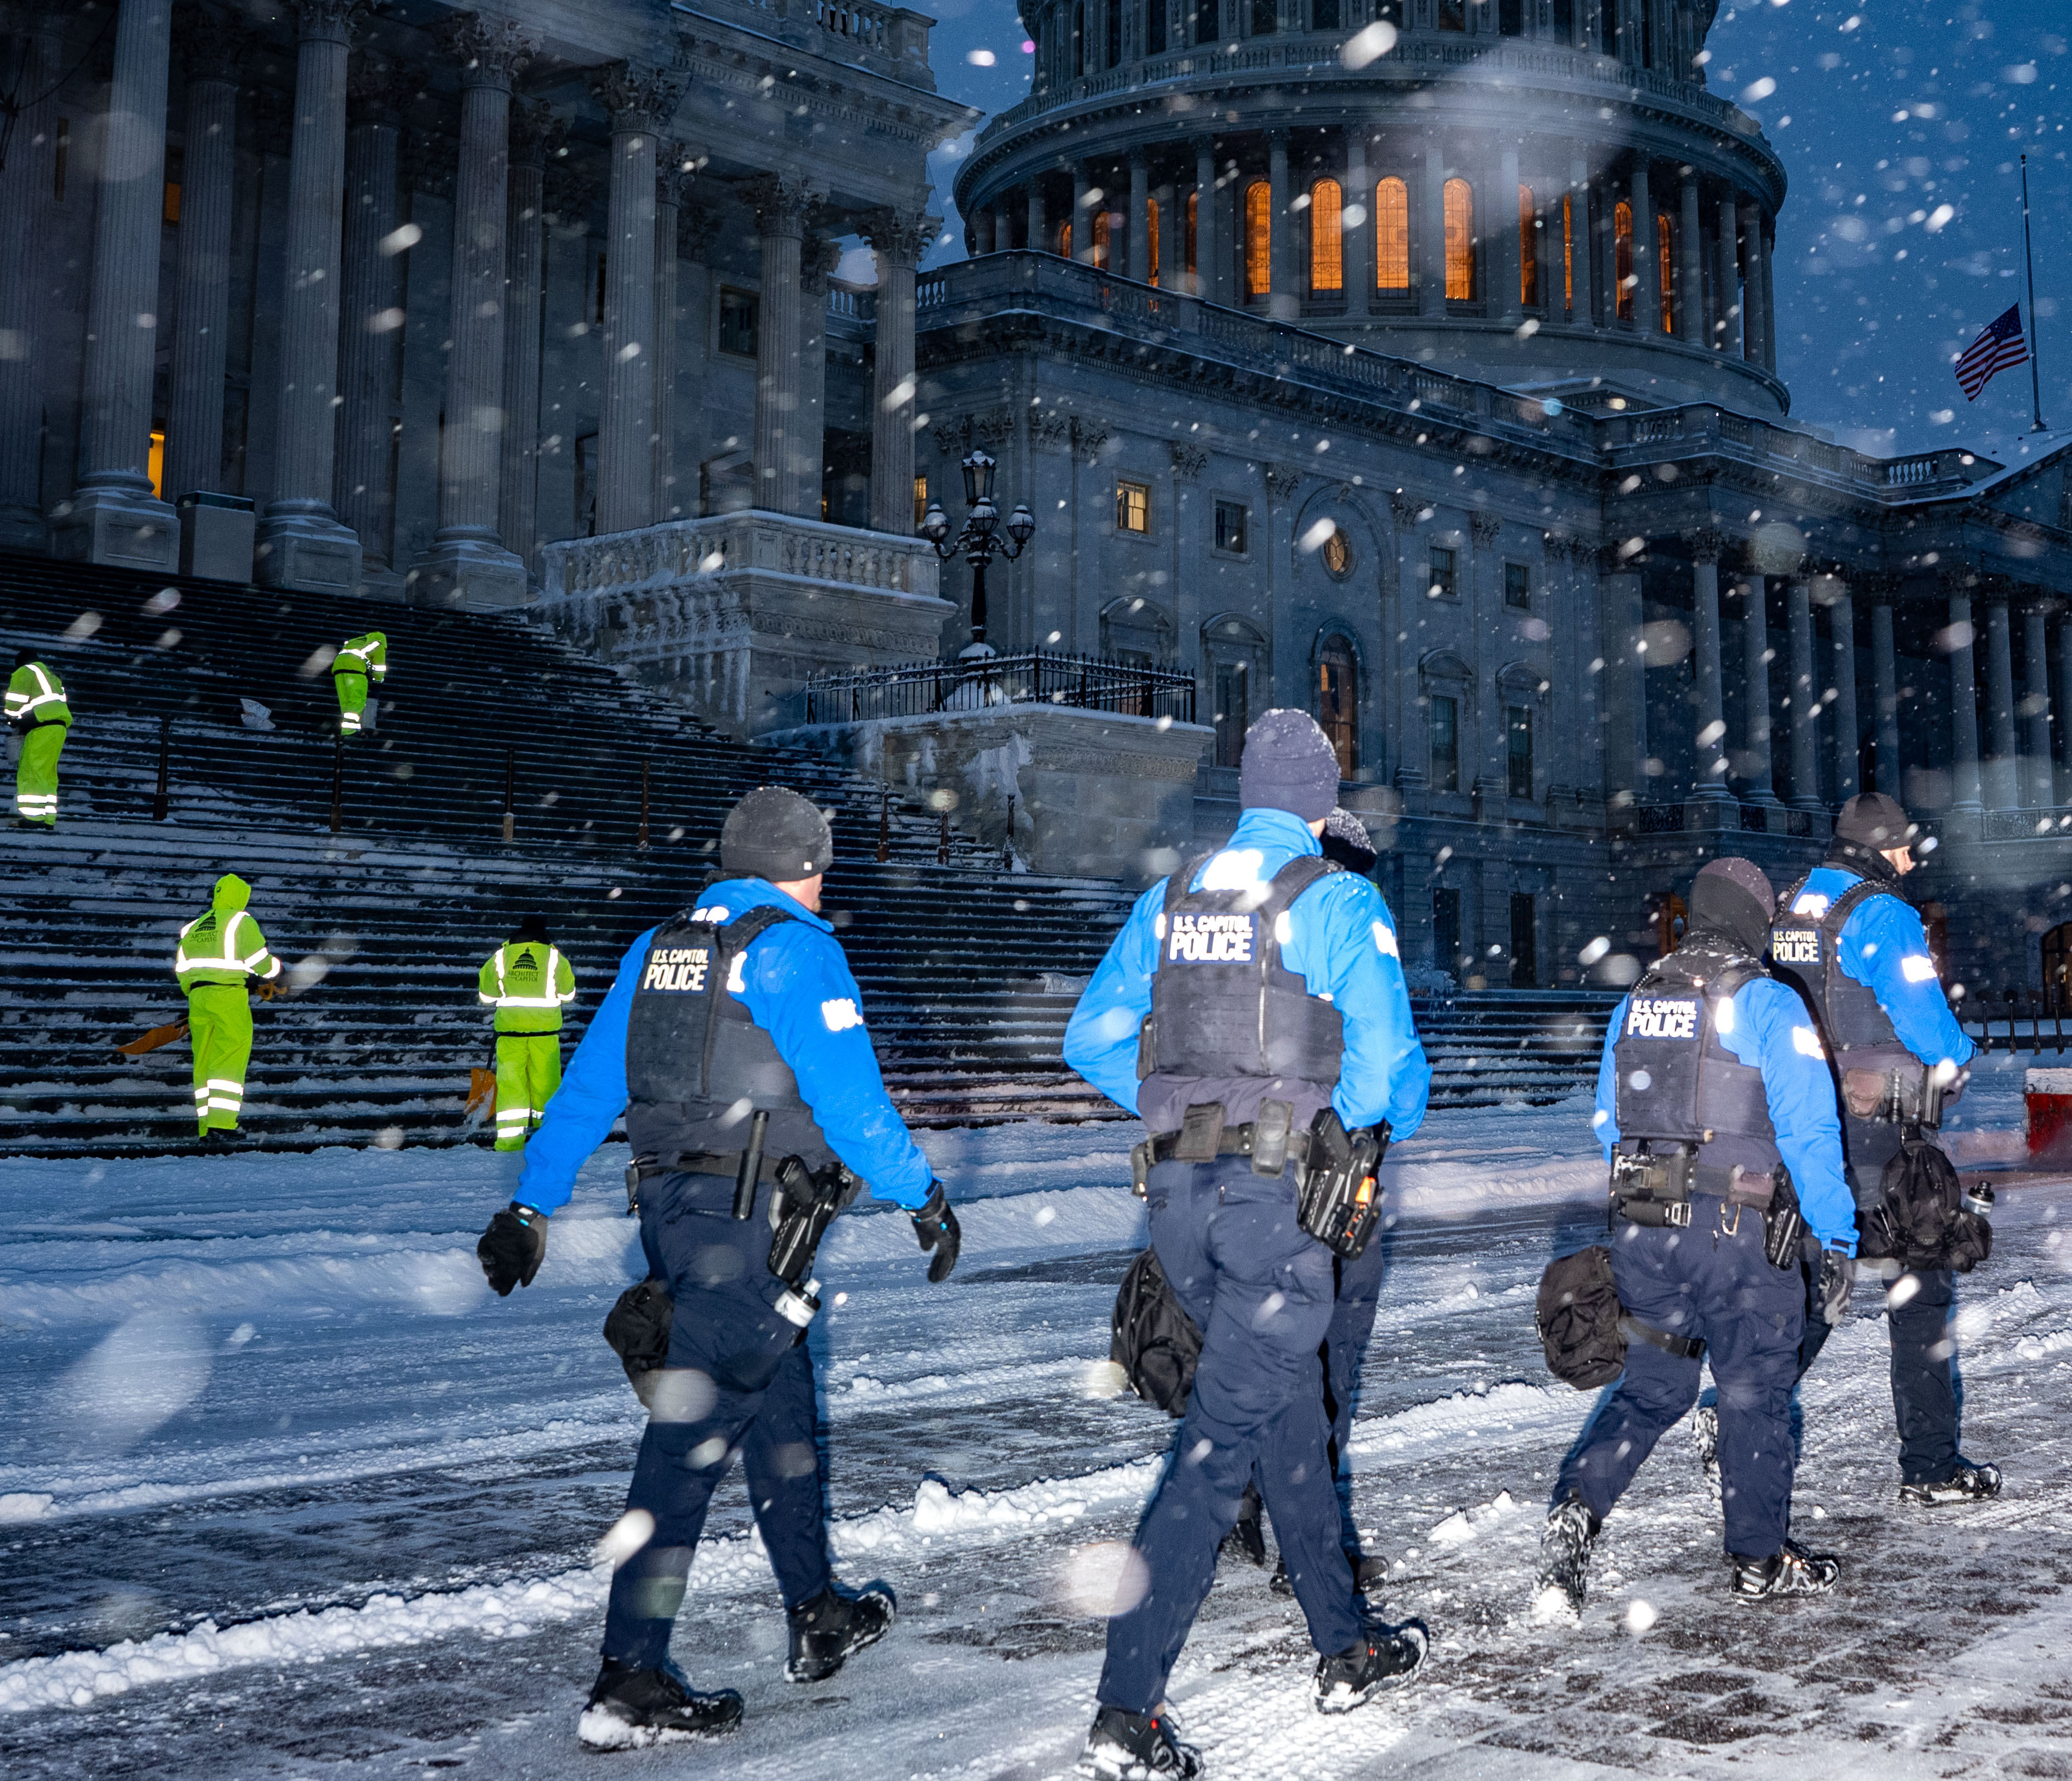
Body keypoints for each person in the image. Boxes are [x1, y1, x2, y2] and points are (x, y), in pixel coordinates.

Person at [474, 787, 965, 1753]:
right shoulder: (794, 947)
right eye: (821, 862)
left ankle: (818, 1611)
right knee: (686, 1449)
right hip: (753, 1222)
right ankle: (629, 1677)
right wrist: (922, 1198)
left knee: (781, 1406)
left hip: (675, 1211)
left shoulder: (663, 948)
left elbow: (586, 1088)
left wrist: (531, 1202)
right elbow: (852, 1100)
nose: (825, 880)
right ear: (804, 863)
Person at [1061, 715, 1430, 1779]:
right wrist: (1350, 1128)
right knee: (1218, 1449)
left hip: (1178, 1194)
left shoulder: (1172, 900)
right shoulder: (1335, 895)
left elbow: (1089, 1034)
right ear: (1319, 797)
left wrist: (1170, 1106)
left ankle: (1346, 1643)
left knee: (1289, 1423)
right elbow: (1391, 1062)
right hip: (1276, 1200)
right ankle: (1128, 1708)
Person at [1533, 857, 1859, 1621]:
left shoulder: (1638, 1004)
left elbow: (1609, 1125)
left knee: (1652, 1390)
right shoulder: (1769, 1002)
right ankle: (1757, 1559)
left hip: (1644, 1230)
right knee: (1753, 1391)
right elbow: (1812, 1129)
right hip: (1736, 1238)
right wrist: (1836, 1235)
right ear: (1752, 922)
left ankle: (1577, 1512)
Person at [1784, 792, 1997, 1506]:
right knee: (1920, 1292)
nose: (1911, 860)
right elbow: (1929, 1026)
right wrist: (1961, 1054)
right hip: (1882, 1136)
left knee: (1819, 1283)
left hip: (1803, 1129)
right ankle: (1931, 1467)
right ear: (1882, 847)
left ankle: (1740, 1413)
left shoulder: (1791, 908)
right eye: (1906, 846)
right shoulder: (1881, 914)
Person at [1227, 807, 1398, 1596]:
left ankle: (1244, 1500)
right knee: (1327, 1364)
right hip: (1332, 1181)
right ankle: (1314, 1552)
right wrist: (1353, 1129)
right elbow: (1398, 1071)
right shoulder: (1351, 916)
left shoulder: (1253, 920)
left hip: (1239, 1175)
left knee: (1261, 1353)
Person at [172, 872, 281, 1135]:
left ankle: (205, 1127)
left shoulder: (193, 927)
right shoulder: (240, 921)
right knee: (229, 1057)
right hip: (229, 997)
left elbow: (183, 970)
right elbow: (261, 963)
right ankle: (223, 1125)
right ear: (242, 897)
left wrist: (196, 992)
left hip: (198, 998)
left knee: (204, 1060)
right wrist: (277, 972)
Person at [476, 914, 576, 1150]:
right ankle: (548, 1139)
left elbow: (486, 995)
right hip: (545, 1034)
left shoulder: (501, 956)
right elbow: (568, 994)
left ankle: (510, 1143)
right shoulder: (554, 957)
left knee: (512, 1088)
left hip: (511, 1034)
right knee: (547, 1087)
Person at [2, 652, 70, 826]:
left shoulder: (25, 671)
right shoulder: (51, 675)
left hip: (41, 726)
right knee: (48, 774)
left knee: (32, 771)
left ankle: (33, 818)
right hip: (58, 728)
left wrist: (12, 719)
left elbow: (14, 701)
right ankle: (48, 818)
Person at [333, 627, 387, 735]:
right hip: (356, 671)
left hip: (338, 669)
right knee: (357, 700)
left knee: (346, 701)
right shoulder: (378, 644)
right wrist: (378, 680)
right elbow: (379, 667)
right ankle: (350, 731)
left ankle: (345, 730)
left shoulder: (359, 642)